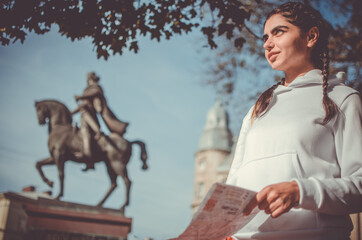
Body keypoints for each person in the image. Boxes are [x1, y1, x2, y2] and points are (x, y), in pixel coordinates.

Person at [225, 2, 362, 240]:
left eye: (278, 32)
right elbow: (234, 184)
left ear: (311, 36)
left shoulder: (342, 99)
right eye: (265, 36)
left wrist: (301, 191)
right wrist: (222, 230)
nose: (267, 43)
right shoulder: (258, 108)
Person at [72, 72, 129, 171]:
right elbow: (82, 105)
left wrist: (81, 97)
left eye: (90, 78)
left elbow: (94, 95)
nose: (89, 80)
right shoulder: (88, 90)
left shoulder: (95, 88)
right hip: (85, 116)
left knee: (86, 133)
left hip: (90, 117)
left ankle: (88, 156)